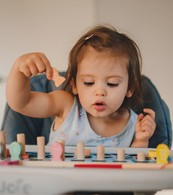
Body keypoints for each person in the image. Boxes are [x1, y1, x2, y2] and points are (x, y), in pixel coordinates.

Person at [6, 25, 156, 147]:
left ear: (130, 88)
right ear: (74, 84)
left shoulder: (134, 124)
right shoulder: (65, 106)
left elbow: (133, 169)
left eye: (112, 84)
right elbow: (22, 103)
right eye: (89, 83)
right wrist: (19, 70)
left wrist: (141, 140)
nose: (100, 92)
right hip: (60, 184)